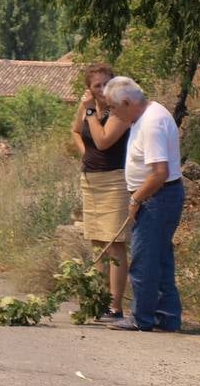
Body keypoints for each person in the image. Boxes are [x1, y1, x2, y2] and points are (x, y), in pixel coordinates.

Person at [103, 76, 184, 332]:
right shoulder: (145, 117)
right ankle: (167, 317)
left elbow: (159, 173)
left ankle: (142, 317)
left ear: (127, 102)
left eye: (113, 108)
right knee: (160, 259)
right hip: (157, 197)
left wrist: (137, 198)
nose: (112, 113)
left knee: (145, 259)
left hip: (157, 199)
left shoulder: (151, 123)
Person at [71, 62, 131, 321]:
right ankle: (98, 301)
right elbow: (76, 131)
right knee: (97, 242)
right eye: (97, 85)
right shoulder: (86, 109)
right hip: (91, 179)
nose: (103, 89)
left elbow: (104, 140)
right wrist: (86, 155)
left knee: (115, 243)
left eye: (107, 83)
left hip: (114, 180)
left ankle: (115, 307)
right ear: (89, 89)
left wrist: (93, 113)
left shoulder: (120, 110)